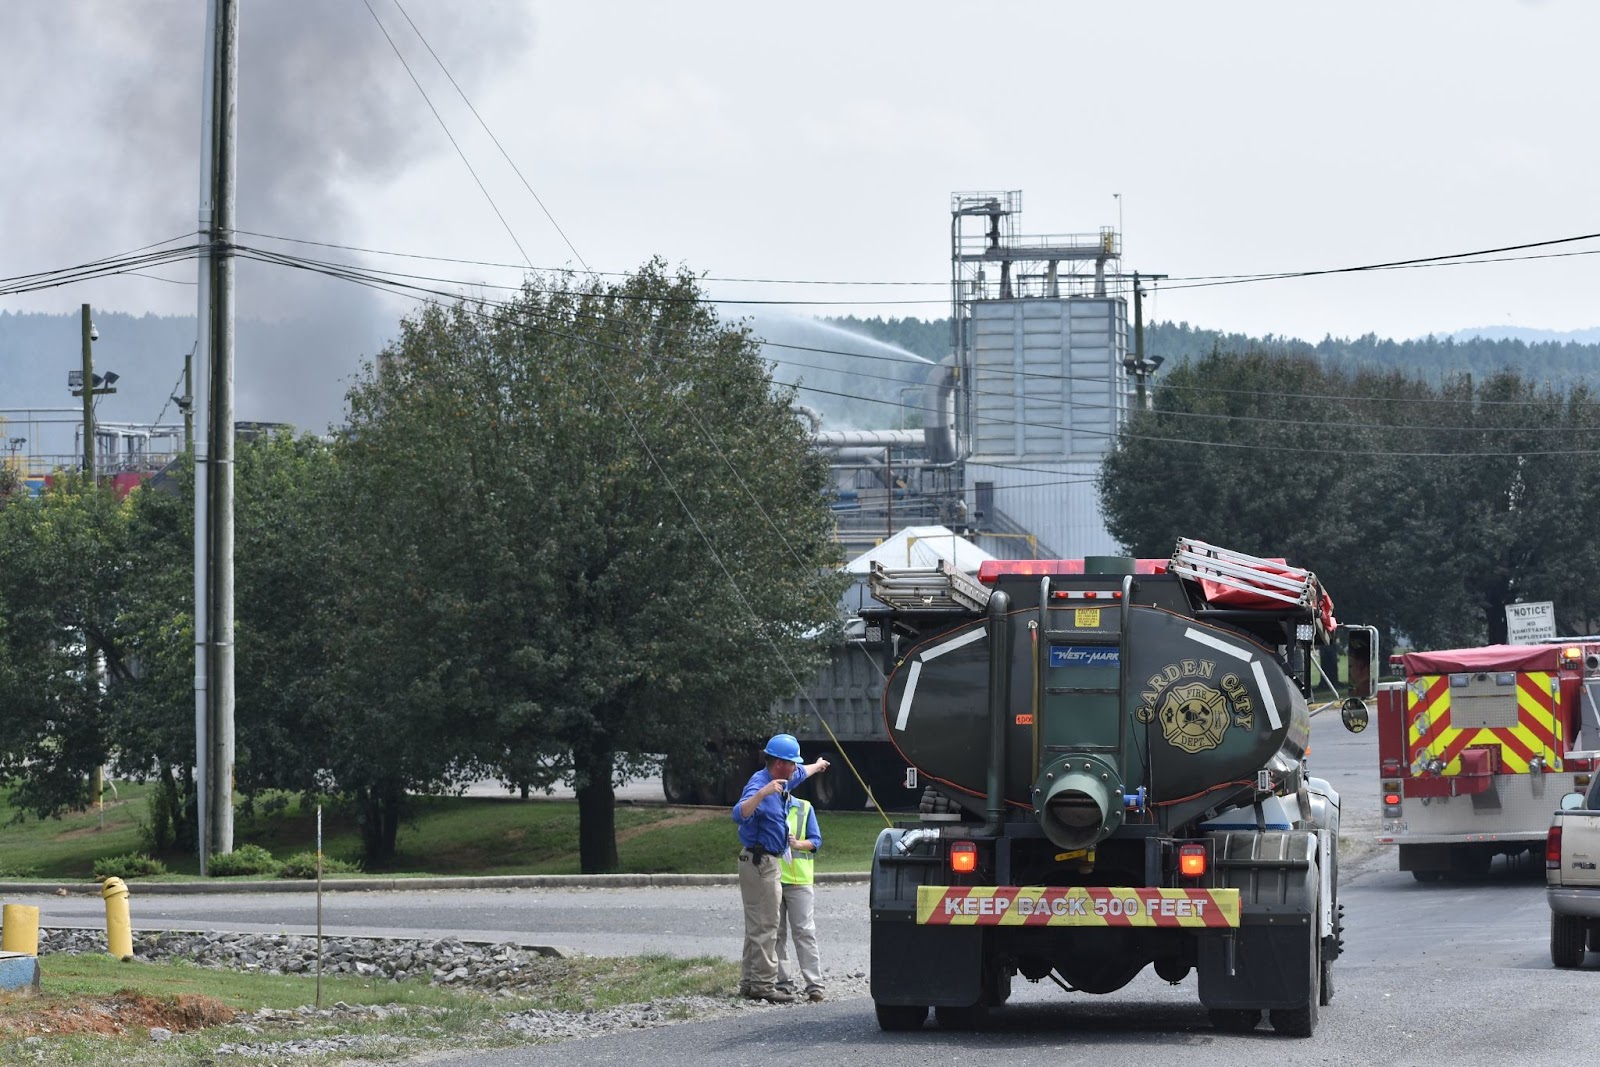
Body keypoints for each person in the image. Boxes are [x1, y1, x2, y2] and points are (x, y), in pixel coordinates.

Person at [731, 733, 829, 1004]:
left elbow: (802, 773)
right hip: (760, 861)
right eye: (792, 762)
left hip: (765, 861)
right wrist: (763, 793)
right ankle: (763, 985)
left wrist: (818, 765)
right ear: (779, 764)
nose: (796, 767)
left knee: (757, 923)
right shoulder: (760, 784)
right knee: (766, 925)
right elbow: (739, 814)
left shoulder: (784, 779)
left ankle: (749, 981)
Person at [776, 789, 824, 1002]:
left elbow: (816, 841)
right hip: (773, 879)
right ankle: (782, 982)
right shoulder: (767, 807)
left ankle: (814, 985)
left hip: (800, 881)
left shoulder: (804, 807)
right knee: (776, 934)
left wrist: (797, 844)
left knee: (804, 932)